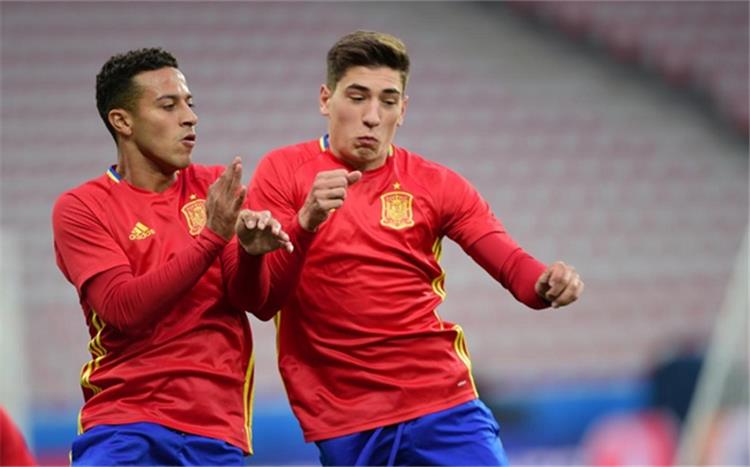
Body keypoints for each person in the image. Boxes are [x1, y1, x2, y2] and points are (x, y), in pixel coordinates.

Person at [247, 30, 584, 466]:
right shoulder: (283, 172)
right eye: (357, 97)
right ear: (326, 100)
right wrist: (305, 222)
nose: (372, 116)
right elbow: (262, 300)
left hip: (442, 401)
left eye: (387, 101)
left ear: (402, 110)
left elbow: (514, 267)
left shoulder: (437, 184)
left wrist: (546, 282)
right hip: (344, 416)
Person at [52, 48, 309, 465]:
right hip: (124, 423)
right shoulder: (82, 207)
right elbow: (122, 308)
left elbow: (256, 303)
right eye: (168, 106)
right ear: (122, 122)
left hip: (215, 427)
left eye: (190, 104)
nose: (190, 118)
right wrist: (212, 237)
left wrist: (251, 254)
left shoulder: (214, 187)